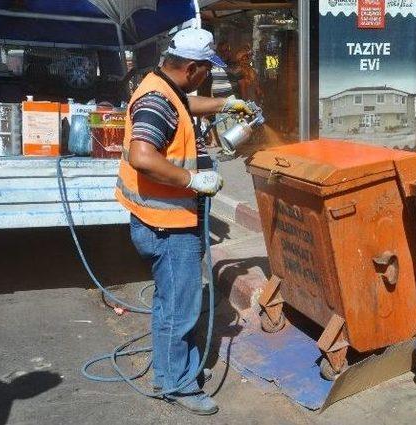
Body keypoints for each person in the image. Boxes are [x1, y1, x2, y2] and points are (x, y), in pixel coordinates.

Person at [115, 27, 253, 416]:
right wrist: (192, 179)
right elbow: (143, 156)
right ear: (192, 68)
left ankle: (172, 370)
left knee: (170, 301)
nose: (207, 76)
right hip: (167, 225)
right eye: (206, 70)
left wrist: (226, 104)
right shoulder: (156, 100)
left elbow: (186, 105)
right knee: (180, 307)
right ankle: (177, 383)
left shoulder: (162, 85)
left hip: (162, 218)